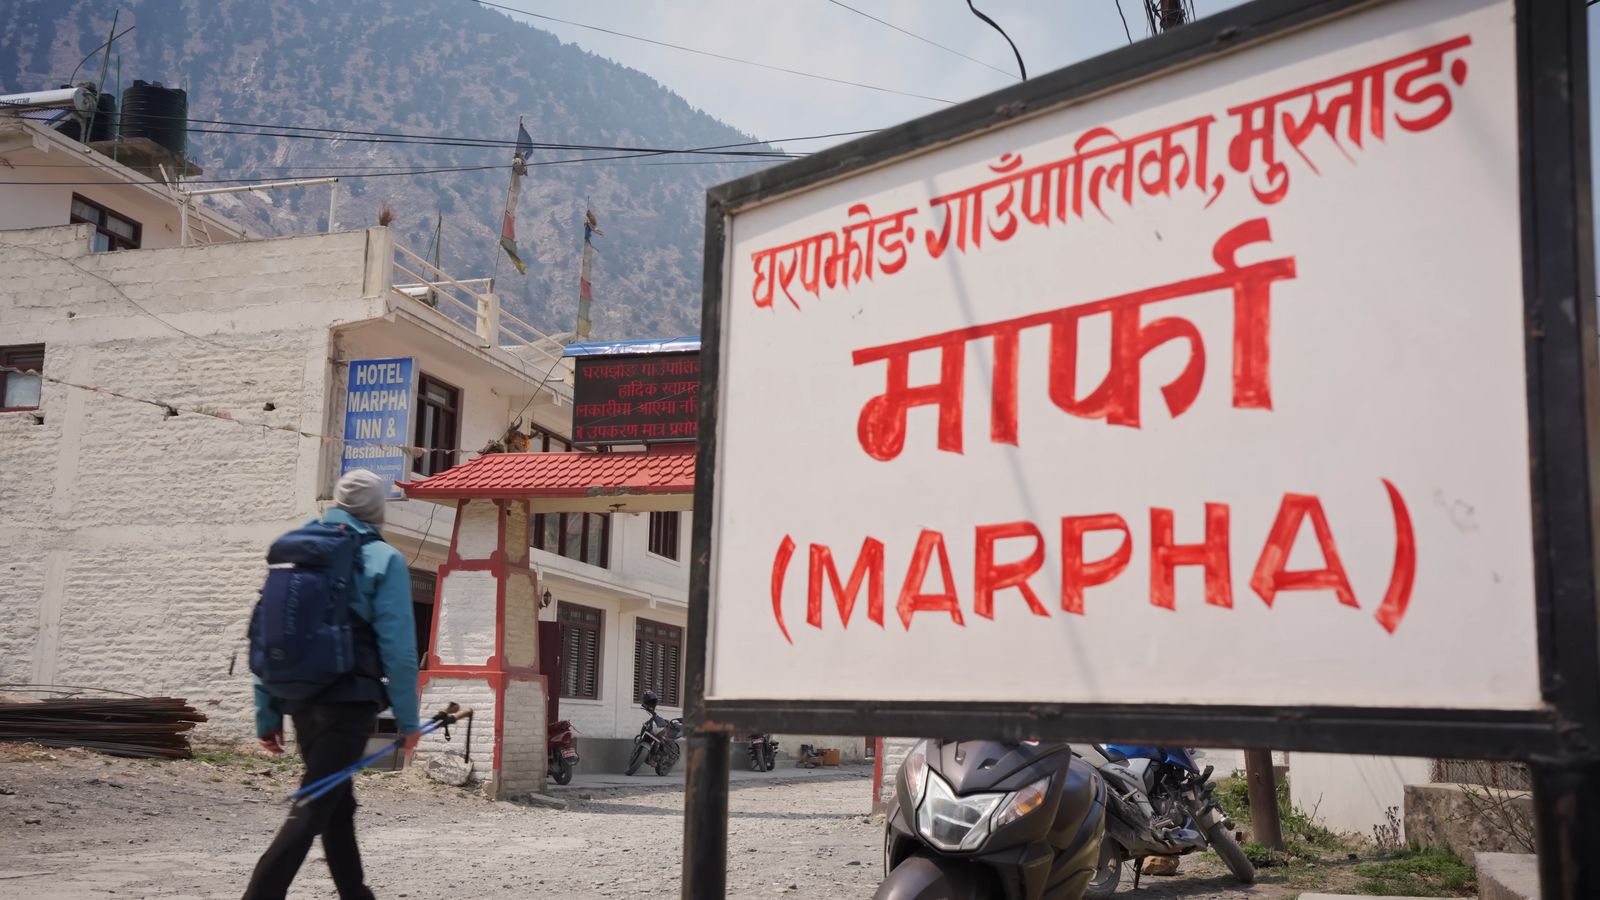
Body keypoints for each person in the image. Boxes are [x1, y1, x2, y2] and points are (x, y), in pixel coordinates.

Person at [244, 469, 420, 900]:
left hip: (300, 698)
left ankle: (356, 893)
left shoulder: (295, 551)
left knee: (337, 801)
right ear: (377, 509)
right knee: (318, 798)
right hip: (349, 701)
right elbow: (398, 648)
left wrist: (267, 712)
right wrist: (408, 719)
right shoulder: (383, 558)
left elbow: (267, 635)